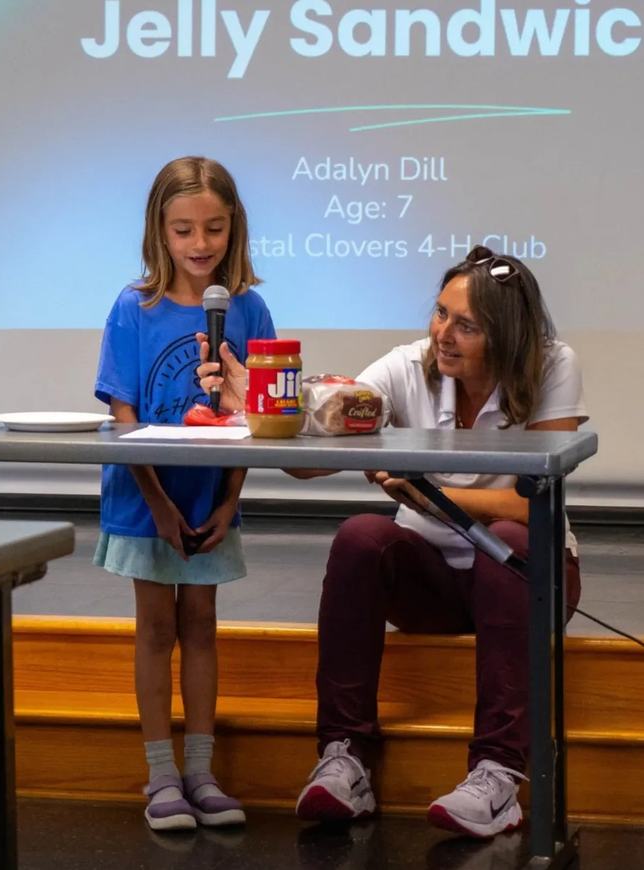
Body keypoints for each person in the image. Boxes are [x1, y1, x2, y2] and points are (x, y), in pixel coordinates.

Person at [197, 245, 587, 838]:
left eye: (465, 325)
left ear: (507, 335)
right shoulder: (408, 367)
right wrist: (256, 405)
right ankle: (343, 757)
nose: (442, 335)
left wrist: (435, 499)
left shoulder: (552, 365)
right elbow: (310, 463)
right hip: (431, 580)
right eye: (438, 313)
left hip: (526, 576)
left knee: (510, 534)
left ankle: (498, 774)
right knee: (361, 537)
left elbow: (537, 505)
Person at [93, 156, 276, 831]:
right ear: (159, 233)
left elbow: (256, 418)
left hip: (209, 502)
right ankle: (160, 775)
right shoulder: (132, 307)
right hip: (146, 504)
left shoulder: (248, 308)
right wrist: (161, 506)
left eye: (215, 229)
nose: (200, 245)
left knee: (201, 624)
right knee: (157, 628)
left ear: (235, 230)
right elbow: (123, 417)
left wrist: (229, 502)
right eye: (183, 231)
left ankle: (201, 770)